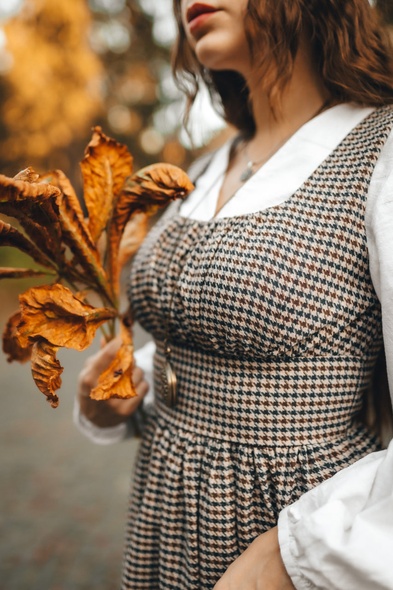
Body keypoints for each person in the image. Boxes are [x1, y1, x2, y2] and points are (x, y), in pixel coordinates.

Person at [74, 0, 393, 588]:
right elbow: (213, 344)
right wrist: (114, 396)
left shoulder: (382, 151)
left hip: (287, 531)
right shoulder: (207, 164)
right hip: (163, 519)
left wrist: (296, 557)